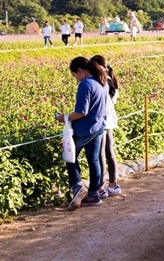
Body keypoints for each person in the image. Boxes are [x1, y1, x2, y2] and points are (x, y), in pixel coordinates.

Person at [55, 56, 109, 210]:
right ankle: (93, 195)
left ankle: (77, 186)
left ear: (80, 71)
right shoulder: (102, 82)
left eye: (74, 75)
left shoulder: (86, 84)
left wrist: (63, 118)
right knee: (94, 160)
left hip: (84, 128)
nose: (76, 79)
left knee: (69, 156)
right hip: (98, 127)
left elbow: (81, 112)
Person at [91, 55, 122, 198]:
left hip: (102, 119)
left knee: (101, 154)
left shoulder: (102, 81)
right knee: (110, 152)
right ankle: (113, 184)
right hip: (109, 120)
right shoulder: (111, 79)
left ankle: (101, 187)